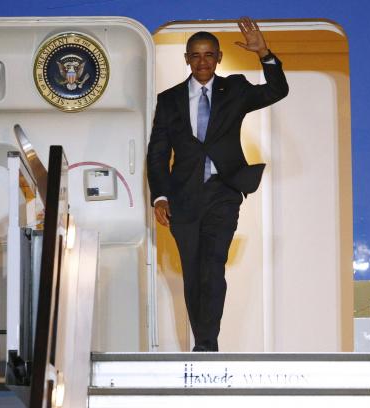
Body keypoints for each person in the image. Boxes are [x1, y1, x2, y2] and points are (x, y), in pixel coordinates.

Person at [147, 17, 288, 352]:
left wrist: (264, 53)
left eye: (209, 55)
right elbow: (157, 153)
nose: (202, 61)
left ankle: (207, 344)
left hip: (223, 192)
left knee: (212, 266)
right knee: (193, 274)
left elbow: (277, 90)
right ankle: (203, 340)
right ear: (186, 59)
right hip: (182, 198)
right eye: (195, 55)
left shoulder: (235, 90)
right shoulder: (168, 100)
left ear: (219, 57)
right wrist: (160, 196)